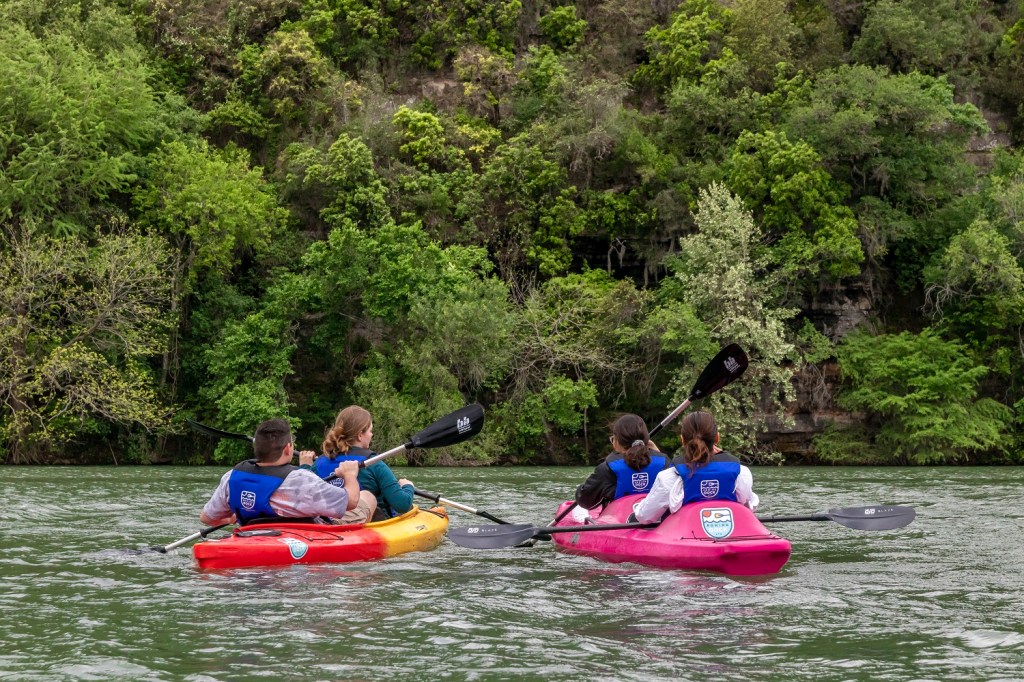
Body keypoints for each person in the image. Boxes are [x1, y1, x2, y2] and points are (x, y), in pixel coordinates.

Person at [200, 418, 361, 526]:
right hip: (299, 544)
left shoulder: (231, 477)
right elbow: (351, 502)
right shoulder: (302, 480)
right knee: (368, 498)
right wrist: (350, 475)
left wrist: (230, 519)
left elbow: (207, 518)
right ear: (288, 449)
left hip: (250, 538)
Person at [632, 411, 759, 524]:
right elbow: (750, 507)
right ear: (717, 438)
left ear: (682, 440)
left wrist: (637, 508)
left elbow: (644, 517)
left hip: (684, 539)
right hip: (727, 537)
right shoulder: (741, 472)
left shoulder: (669, 477)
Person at [304, 405, 415, 523]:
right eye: (370, 431)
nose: (372, 435)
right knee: (369, 497)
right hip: (368, 527)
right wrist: (408, 486)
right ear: (360, 435)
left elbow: (303, 493)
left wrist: (305, 467)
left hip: (323, 519)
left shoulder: (318, 463)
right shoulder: (373, 463)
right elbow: (402, 504)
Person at [571, 414, 669, 522]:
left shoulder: (607, 468)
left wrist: (580, 490)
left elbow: (585, 501)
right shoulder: (664, 462)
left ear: (617, 441)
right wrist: (657, 452)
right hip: (658, 525)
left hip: (619, 523)